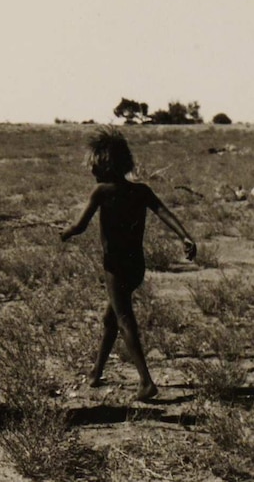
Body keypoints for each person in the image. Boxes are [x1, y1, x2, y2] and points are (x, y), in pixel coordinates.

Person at [60, 128, 196, 401]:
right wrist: (185, 236)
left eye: (93, 166)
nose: (91, 171)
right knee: (111, 318)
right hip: (136, 266)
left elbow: (80, 225)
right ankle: (96, 372)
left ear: (103, 165)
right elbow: (164, 212)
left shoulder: (101, 191)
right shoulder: (141, 191)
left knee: (123, 320)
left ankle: (146, 381)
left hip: (114, 266)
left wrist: (66, 232)